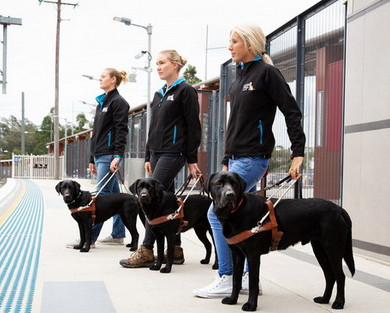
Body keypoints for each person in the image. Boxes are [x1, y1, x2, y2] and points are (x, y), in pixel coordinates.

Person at [193, 24, 305, 298]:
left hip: (253, 157)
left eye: (234, 41)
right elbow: (235, 124)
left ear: (251, 44)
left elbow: (291, 112)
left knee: (215, 213)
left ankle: (227, 275)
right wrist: (225, 160)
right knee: (242, 218)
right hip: (236, 159)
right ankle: (243, 279)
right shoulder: (239, 77)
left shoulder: (267, 73)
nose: (229, 46)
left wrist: (298, 153)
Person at [119, 50, 202, 268]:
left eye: (162, 63)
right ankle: (174, 250)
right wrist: (148, 153)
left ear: (175, 65)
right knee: (169, 202)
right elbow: (154, 127)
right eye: (156, 63)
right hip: (156, 153)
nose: (158, 67)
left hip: (174, 153)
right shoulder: (159, 94)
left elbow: (194, 126)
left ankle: (146, 250)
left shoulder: (186, 91)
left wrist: (192, 159)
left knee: (151, 200)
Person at [88, 68, 130, 246]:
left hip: (109, 155)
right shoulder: (101, 103)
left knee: (100, 196)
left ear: (113, 80)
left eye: (103, 76)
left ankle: (89, 238)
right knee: (115, 196)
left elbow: (122, 131)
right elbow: (95, 133)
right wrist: (91, 158)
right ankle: (118, 235)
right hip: (99, 154)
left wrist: (117, 156)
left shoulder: (119, 102)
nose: (100, 78)